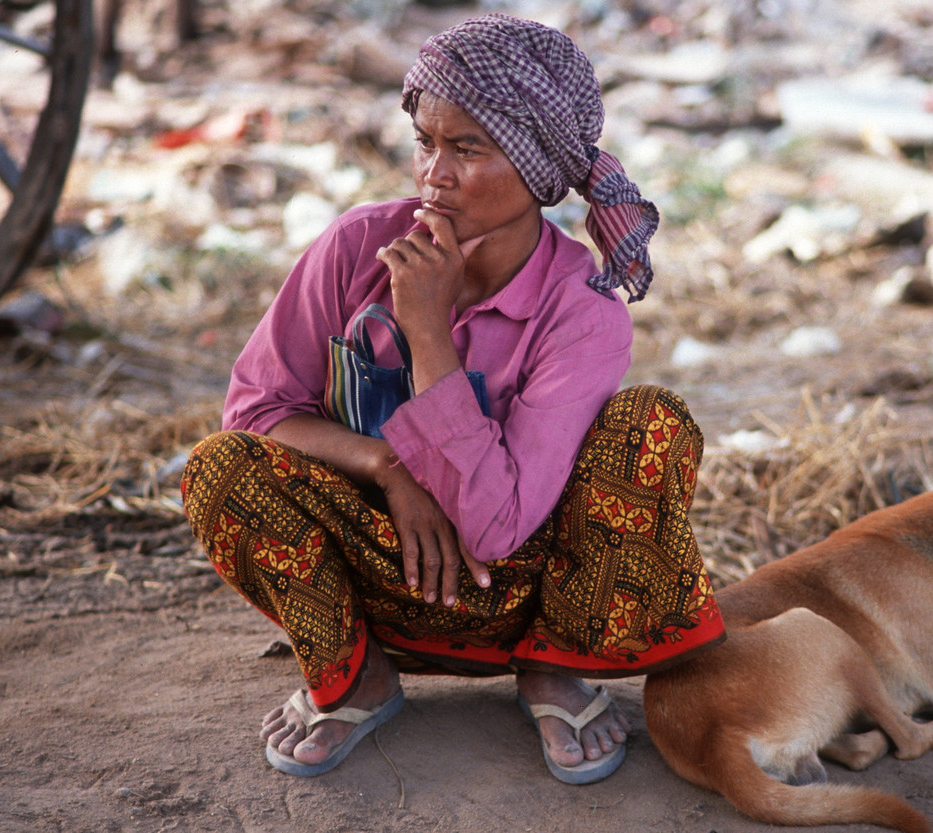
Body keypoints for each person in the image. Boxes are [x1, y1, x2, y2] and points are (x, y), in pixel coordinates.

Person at [181, 13, 725, 784]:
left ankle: (551, 665)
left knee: (651, 425)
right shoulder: (354, 248)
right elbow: (257, 410)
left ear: (538, 169)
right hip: (384, 570)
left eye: (467, 148)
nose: (433, 173)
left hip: (528, 587)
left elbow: (499, 530)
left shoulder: (582, 310)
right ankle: (357, 672)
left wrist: (427, 331)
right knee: (219, 466)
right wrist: (388, 466)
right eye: (425, 141)